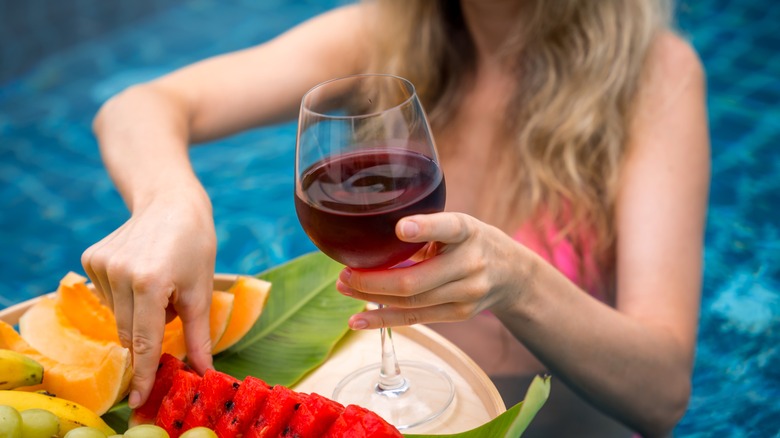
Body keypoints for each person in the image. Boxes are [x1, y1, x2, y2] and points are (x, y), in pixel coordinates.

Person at [81, 0, 709, 436]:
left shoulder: (654, 74)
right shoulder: (386, 37)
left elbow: (662, 397)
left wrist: (520, 281)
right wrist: (174, 201)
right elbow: (136, 107)